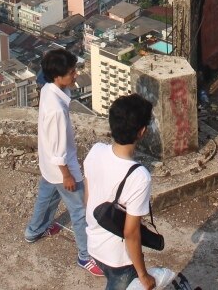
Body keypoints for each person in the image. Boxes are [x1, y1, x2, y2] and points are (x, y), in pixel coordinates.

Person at [24, 49, 104, 278]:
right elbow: (60, 151)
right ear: (58, 77)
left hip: (48, 164)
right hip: (61, 168)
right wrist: (68, 176)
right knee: (79, 211)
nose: (76, 75)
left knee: (46, 197)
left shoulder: (49, 90)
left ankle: (34, 231)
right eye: (71, 72)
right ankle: (85, 256)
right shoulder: (57, 111)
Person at [84, 94, 158, 290]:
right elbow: (131, 232)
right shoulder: (139, 176)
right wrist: (143, 275)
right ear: (141, 132)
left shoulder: (96, 150)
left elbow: (88, 197)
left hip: (94, 241)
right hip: (118, 257)